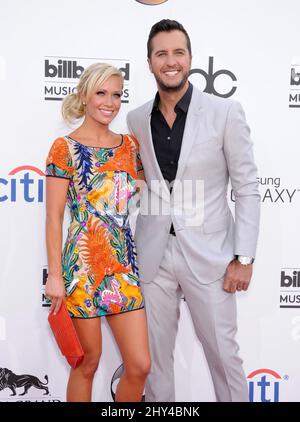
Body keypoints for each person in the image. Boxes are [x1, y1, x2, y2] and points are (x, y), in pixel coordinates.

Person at [127, 19, 260, 402]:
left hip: (212, 256)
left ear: (190, 59)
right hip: (154, 258)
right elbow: (147, 186)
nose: (171, 61)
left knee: (224, 358)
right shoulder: (136, 118)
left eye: (178, 52)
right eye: (161, 54)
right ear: (150, 62)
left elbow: (247, 187)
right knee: (154, 363)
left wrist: (244, 256)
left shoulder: (225, 113)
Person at [45, 63, 151, 402]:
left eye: (116, 94)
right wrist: (56, 277)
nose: (110, 102)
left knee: (139, 365)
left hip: (122, 267)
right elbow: (53, 217)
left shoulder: (130, 146)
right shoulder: (64, 148)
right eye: (101, 93)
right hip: (82, 270)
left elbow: (143, 193)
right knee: (87, 363)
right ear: (85, 96)